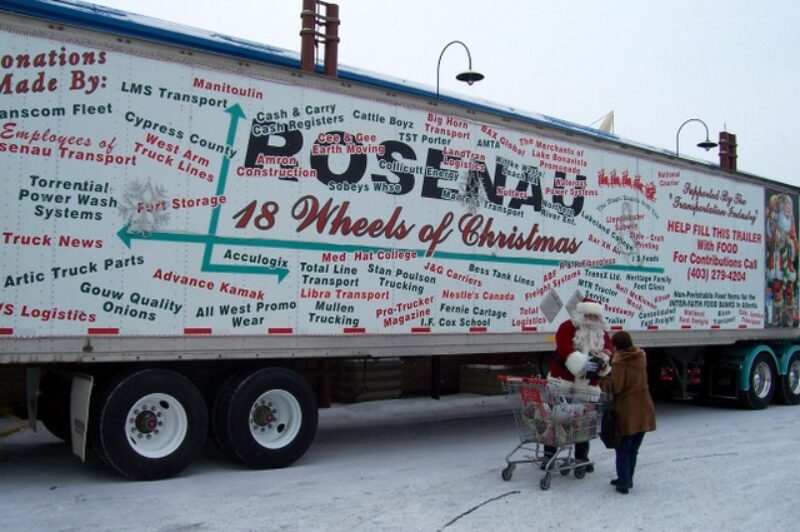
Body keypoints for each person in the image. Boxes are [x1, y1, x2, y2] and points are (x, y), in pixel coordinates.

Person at [544, 297, 612, 471]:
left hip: (587, 386)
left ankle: (581, 457)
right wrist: (581, 362)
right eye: (589, 315)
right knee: (556, 419)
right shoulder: (567, 327)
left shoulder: (602, 334)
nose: (592, 319)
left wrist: (602, 361)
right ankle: (549, 455)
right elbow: (564, 347)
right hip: (563, 382)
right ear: (581, 314)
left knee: (584, 423)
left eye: (595, 316)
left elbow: (609, 351)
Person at [600, 330, 657, 494]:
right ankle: (628, 478)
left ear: (616, 346)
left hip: (628, 410)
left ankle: (623, 482)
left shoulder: (620, 362)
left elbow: (616, 386)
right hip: (645, 408)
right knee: (633, 449)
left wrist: (601, 379)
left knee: (623, 448)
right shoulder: (640, 357)